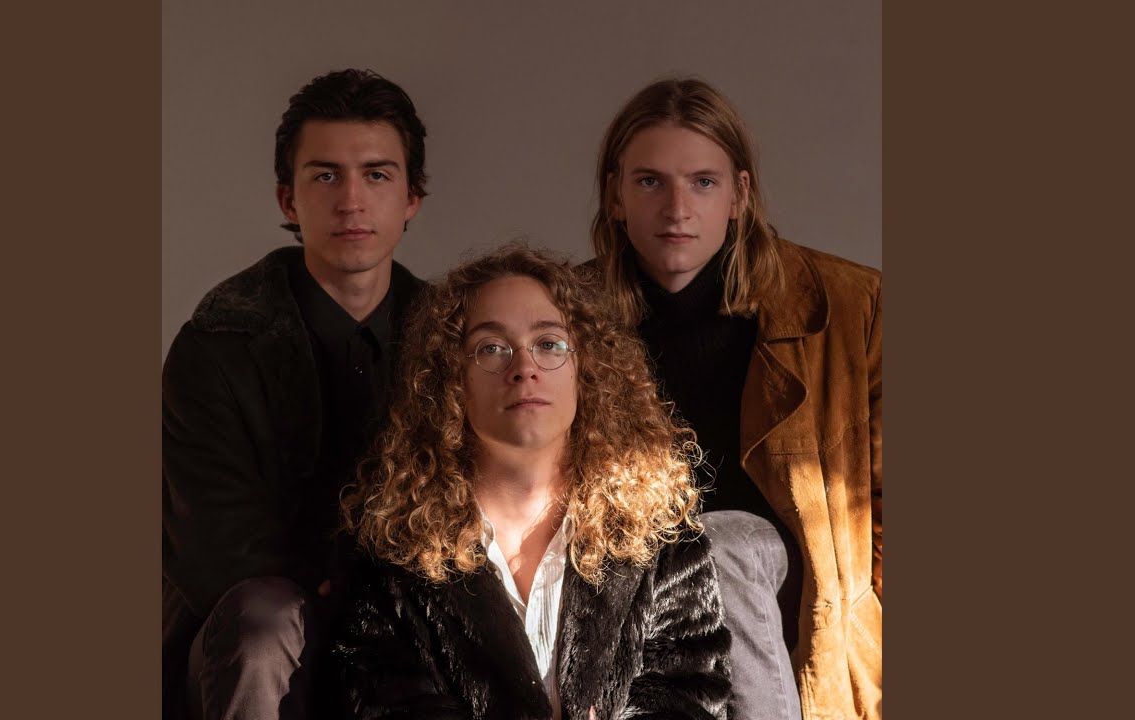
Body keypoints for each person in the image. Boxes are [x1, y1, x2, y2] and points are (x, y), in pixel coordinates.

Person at [335, 244, 735, 720]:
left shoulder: (660, 535)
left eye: (549, 344)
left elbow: (692, 692)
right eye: (491, 348)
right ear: (450, 379)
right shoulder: (394, 548)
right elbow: (388, 705)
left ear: (586, 370)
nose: (524, 367)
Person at [589, 78, 882, 720]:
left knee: (723, 541)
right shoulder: (565, 317)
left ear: (739, 196)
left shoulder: (849, 305)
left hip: (793, 591)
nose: (677, 209)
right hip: (638, 584)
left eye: (703, 182)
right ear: (615, 197)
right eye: (649, 182)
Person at [162, 68, 429, 719]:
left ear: (412, 198)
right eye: (325, 175)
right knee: (266, 618)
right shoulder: (217, 343)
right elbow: (218, 546)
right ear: (288, 199)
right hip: (250, 631)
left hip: (413, 614)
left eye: (376, 174)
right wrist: (350, 591)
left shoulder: (452, 338)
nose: (351, 201)